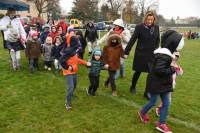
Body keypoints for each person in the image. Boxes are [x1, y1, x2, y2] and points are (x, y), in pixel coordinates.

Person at [138, 30, 184, 133]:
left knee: (166, 103)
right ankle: (142, 112)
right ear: (172, 43)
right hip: (156, 83)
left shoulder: (167, 55)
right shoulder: (163, 55)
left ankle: (161, 123)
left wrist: (174, 67)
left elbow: (163, 69)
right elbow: (159, 70)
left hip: (164, 83)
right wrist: (173, 68)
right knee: (153, 102)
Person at [124, 11, 160, 98]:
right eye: (148, 19)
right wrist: (126, 51)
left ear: (154, 19)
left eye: (151, 20)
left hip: (152, 55)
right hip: (141, 54)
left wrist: (156, 49)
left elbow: (157, 40)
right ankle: (132, 86)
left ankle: (147, 92)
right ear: (145, 19)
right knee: (138, 72)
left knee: (151, 74)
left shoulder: (156, 27)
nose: (149, 21)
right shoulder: (139, 27)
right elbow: (133, 40)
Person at [155, 51, 183, 116]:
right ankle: (159, 109)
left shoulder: (176, 65)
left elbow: (180, 73)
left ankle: (160, 109)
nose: (176, 58)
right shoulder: (168, 64)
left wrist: (178, 68)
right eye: (175, 56)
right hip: (166, 83)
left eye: (177, 57)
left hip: (171, 85)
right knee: (167, 100)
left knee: (167, 99)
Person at [103, 32, 124, 96]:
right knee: (112, 78)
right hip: (109, 64)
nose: (114, 40)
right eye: (112, 39)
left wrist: (124, 55)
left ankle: (106, 82)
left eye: (115, 39)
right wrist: (105, 63)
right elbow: (104, 56)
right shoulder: (106, 47)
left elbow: (122, 54)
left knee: (112, 76)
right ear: (110, 39)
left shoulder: (119, 46)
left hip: (116, 64)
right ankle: (114, 90)